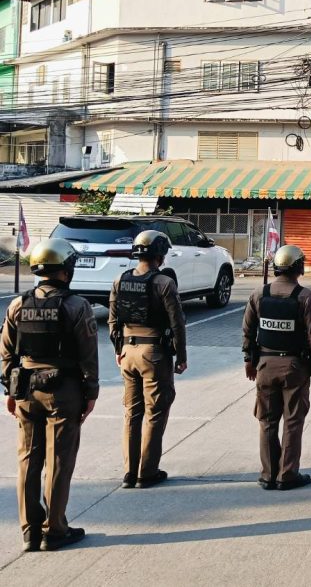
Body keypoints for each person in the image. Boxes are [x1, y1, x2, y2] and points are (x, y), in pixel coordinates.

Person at [1, 239, 98, 551]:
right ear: (66, 271)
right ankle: (54, 531)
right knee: (58, 461)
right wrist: (91, 392)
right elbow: (88, 356)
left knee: (28, 460)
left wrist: (11, 389)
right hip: (63, 390)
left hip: (26, 388)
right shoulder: (76, 306)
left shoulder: (18, 304)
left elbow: (6, 353)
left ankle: (30, 531)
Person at [242, 244, 311, 490]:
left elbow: (247, 331)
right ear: (299, 267)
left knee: (267, 421)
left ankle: (268, 474)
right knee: (292, 421)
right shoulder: (304, 297)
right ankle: (287, 475)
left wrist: (249, 361)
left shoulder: (259, 294)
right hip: (294, 367)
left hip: (265, 366)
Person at [108, 230, 187, 489]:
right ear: (160, 255)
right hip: (154, 353)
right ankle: (147, 472)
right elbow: (177, 323)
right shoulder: (164, 283)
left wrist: (119, 348)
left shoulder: (120, 279)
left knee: (132, 413)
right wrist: (181, 356)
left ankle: (129, 473)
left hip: (128, 352)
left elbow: (113, 319)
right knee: (155, 411)